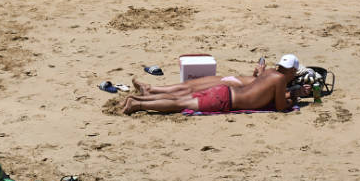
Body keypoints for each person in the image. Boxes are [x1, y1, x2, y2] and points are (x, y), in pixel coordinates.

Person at [120, 59, 300, 115]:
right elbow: (279, 107)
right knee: (179, 103)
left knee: (181, 96)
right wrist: (292, 101)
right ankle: (138, 104)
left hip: (224, 91)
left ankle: (139, 99)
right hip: (225, 99)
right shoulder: (280, 80)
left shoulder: (268, 72)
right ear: (291, 71)